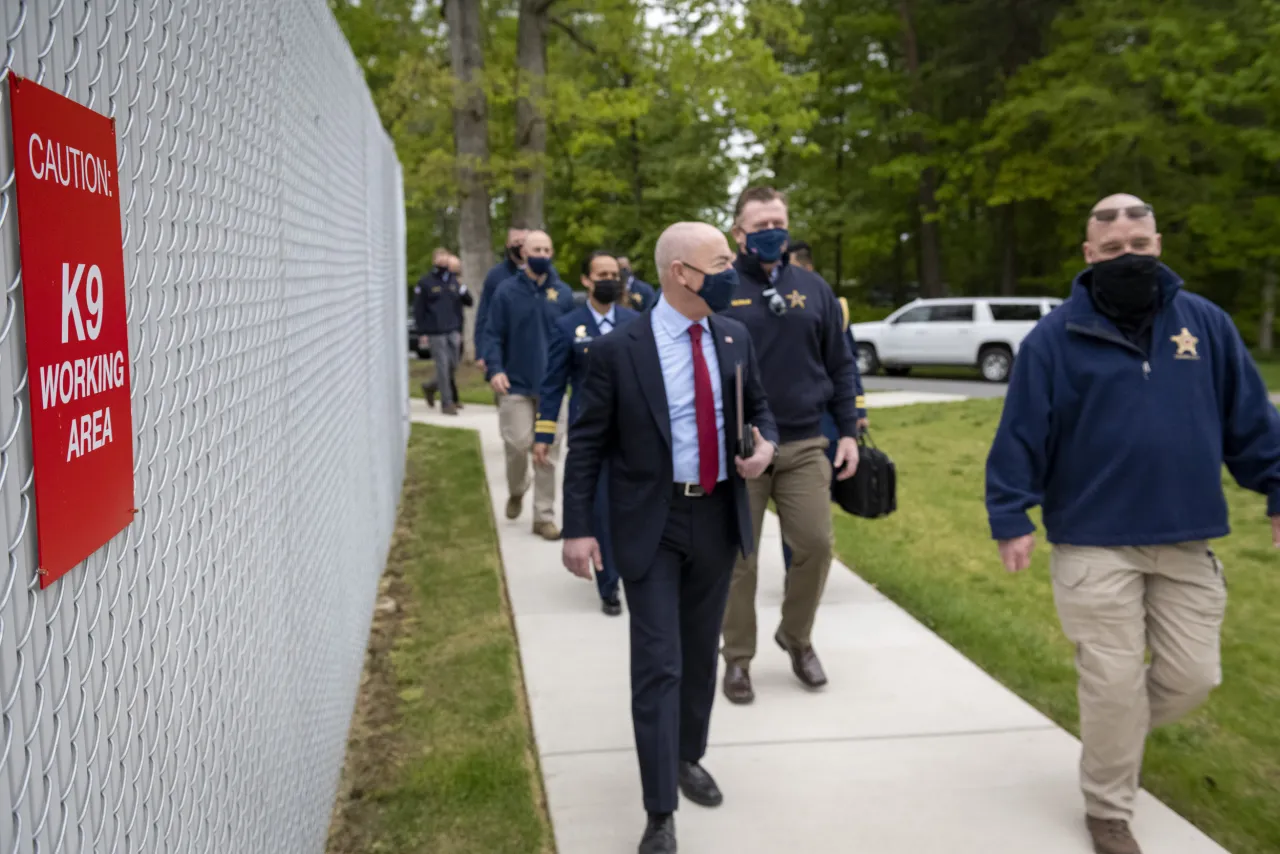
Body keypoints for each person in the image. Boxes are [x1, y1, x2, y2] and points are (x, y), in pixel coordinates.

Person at [986, 193, 1280, 854]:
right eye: (1113, 250)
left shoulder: (1204, 324)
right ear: (1090, 254)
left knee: (1194, 675)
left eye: (1139, 246)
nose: (1128, 258)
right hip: (1094, 543)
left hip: (1185, 537)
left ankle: (1109, 738)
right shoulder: (1054, 339)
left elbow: (1251, 422)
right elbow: (1022, 434)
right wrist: (1010, 513)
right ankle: (1108, 809)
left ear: (1158, 244)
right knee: (1113, 681)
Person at [561, 222, 779, 854]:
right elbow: (589, 448)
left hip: (716, 515)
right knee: (658, 664)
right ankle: (659, 811)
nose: (731, 271)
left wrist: (764, 445)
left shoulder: (734, 337)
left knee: (697, 651)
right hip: (650, 524)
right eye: (719, 262)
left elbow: (761, 409)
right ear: (682, 273)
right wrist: (578, 529)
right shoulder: (617, 351)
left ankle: (688, 755)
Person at [718, 186, 861, 705]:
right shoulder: (722, 287)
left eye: (778, 222)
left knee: (816, 546)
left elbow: (841, 364)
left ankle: (796, 638)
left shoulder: (815, 288)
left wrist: (848, 431)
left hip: (803, 442)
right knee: (741, 559)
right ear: (739, 233)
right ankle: (737, 658)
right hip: (743, 446)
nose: (771, 232)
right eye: (759, 227)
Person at [534, 251, 639, 616]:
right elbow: (552, 384)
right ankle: (608, 584)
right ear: (586, 281)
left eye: (615, 273)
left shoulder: (636, 322)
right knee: (601, 508)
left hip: (633, 432)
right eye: (602, 274)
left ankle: (634, 569)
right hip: (591, 433)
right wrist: (544, 433)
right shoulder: (568, 327)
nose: (610, 279)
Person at [481, 230, 575, 540]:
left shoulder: (562, 294)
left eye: (547, 249)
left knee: (547, 451)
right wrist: (495, 368)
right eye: (537, 248)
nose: (543, 254)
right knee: (519, 444)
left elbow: (572, 337)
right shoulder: (506, 291)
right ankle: (517, 489)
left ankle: (543, 516)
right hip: (516, 384)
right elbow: (492, 333)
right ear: (524, 253)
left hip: (551, 387)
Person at [780, 286, 869, 571]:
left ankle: (804, 569)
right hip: (794, 424)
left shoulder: (830, 306)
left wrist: (857, 412)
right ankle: (796, 570)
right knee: (795, 509)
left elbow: (847, 364)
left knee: (814, 506)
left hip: (826, 422)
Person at [413, 248, 473, 415]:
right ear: (434, 261)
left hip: (453, 329)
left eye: (446, 261)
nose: (443, 264)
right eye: (440, 260)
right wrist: (422, 332)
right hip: (435, 330)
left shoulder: (454, 282)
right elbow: (419, 309)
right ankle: (447, 403)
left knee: (453, 364)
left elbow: (468, 302)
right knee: (442, 365)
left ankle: (430, 386)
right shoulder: (426, 282)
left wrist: (462, 288)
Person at [474, 227, 529, 371]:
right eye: (516, 241)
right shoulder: (496, 276)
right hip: (505, 351)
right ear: (508, 244)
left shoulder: (544, 274)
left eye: (524, 241)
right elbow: (484, 314)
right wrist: (481, 352)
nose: (521, 245)